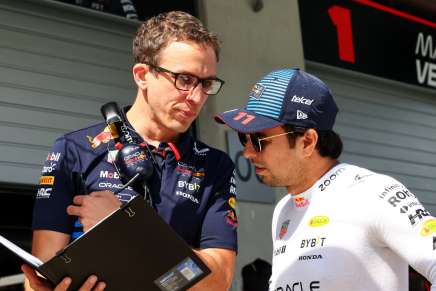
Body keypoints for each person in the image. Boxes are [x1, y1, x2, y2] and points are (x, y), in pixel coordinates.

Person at [23, 11, 237, 291]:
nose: (196, 98)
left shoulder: (214, 166)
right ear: (142, 75)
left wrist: (124, 227)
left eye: (206, 83)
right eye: (184, 80)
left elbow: (218, 281)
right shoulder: (74, 150)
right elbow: (41, 275)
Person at [215, 68, 436, 290]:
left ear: (307, 142)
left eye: (259, 140)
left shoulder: (374, 193)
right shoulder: (284, 209)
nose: (248, 153)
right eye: (244, 137)